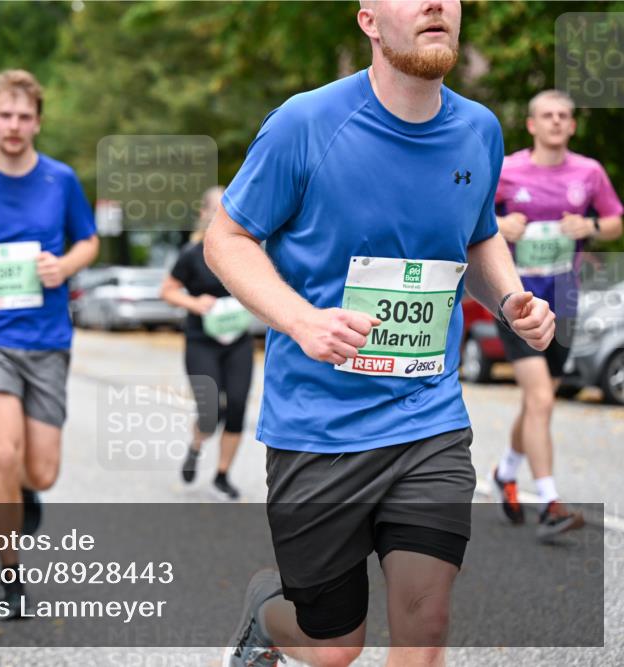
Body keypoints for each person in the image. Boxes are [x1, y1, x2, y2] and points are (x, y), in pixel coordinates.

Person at [206, 2, 556, 665]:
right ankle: (267, 612)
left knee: (426, 625)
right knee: (334, 646)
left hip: (428, 417)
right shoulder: (306, 124)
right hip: (319, 425)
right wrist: (300, 319)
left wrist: (511, 298)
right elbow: (226, 239)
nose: (435, 4)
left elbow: (477, 234)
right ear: (368, 21)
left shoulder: (479, 130)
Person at [0, 69, 99, 618]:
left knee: (41, 470)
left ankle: (22, 487)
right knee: (2, 450)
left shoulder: (61, 180)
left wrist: (65, 265)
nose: (14, 125)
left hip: (48, 338)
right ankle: (11, 575)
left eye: (24, 116)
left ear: (37, 122)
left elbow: (89, 241)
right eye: (4, 115)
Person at [491, 89, 622, 538]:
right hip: (515, 297)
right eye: (546, 115)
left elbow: (614, 220)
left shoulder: (589, 172)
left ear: (572, 125)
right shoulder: (506, 169)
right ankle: (550, 503)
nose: (555, 122)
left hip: (564, 299)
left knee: (537, 399)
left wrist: (590, 227)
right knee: (542, 399)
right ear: (531, 124)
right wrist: (498, 224)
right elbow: (471, 218)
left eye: (563, 116)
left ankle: (506, 471)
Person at [161, 186, 250, 501]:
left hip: (237, 341)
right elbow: (168, 291)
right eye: (217, 207)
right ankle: (196, 446)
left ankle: (222, 476)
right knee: (210, 411)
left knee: (237, 406)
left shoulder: (247, 251)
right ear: (204, 213)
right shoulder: (191, 255)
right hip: (202, 341)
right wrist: (195, 303)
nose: (224, 212)